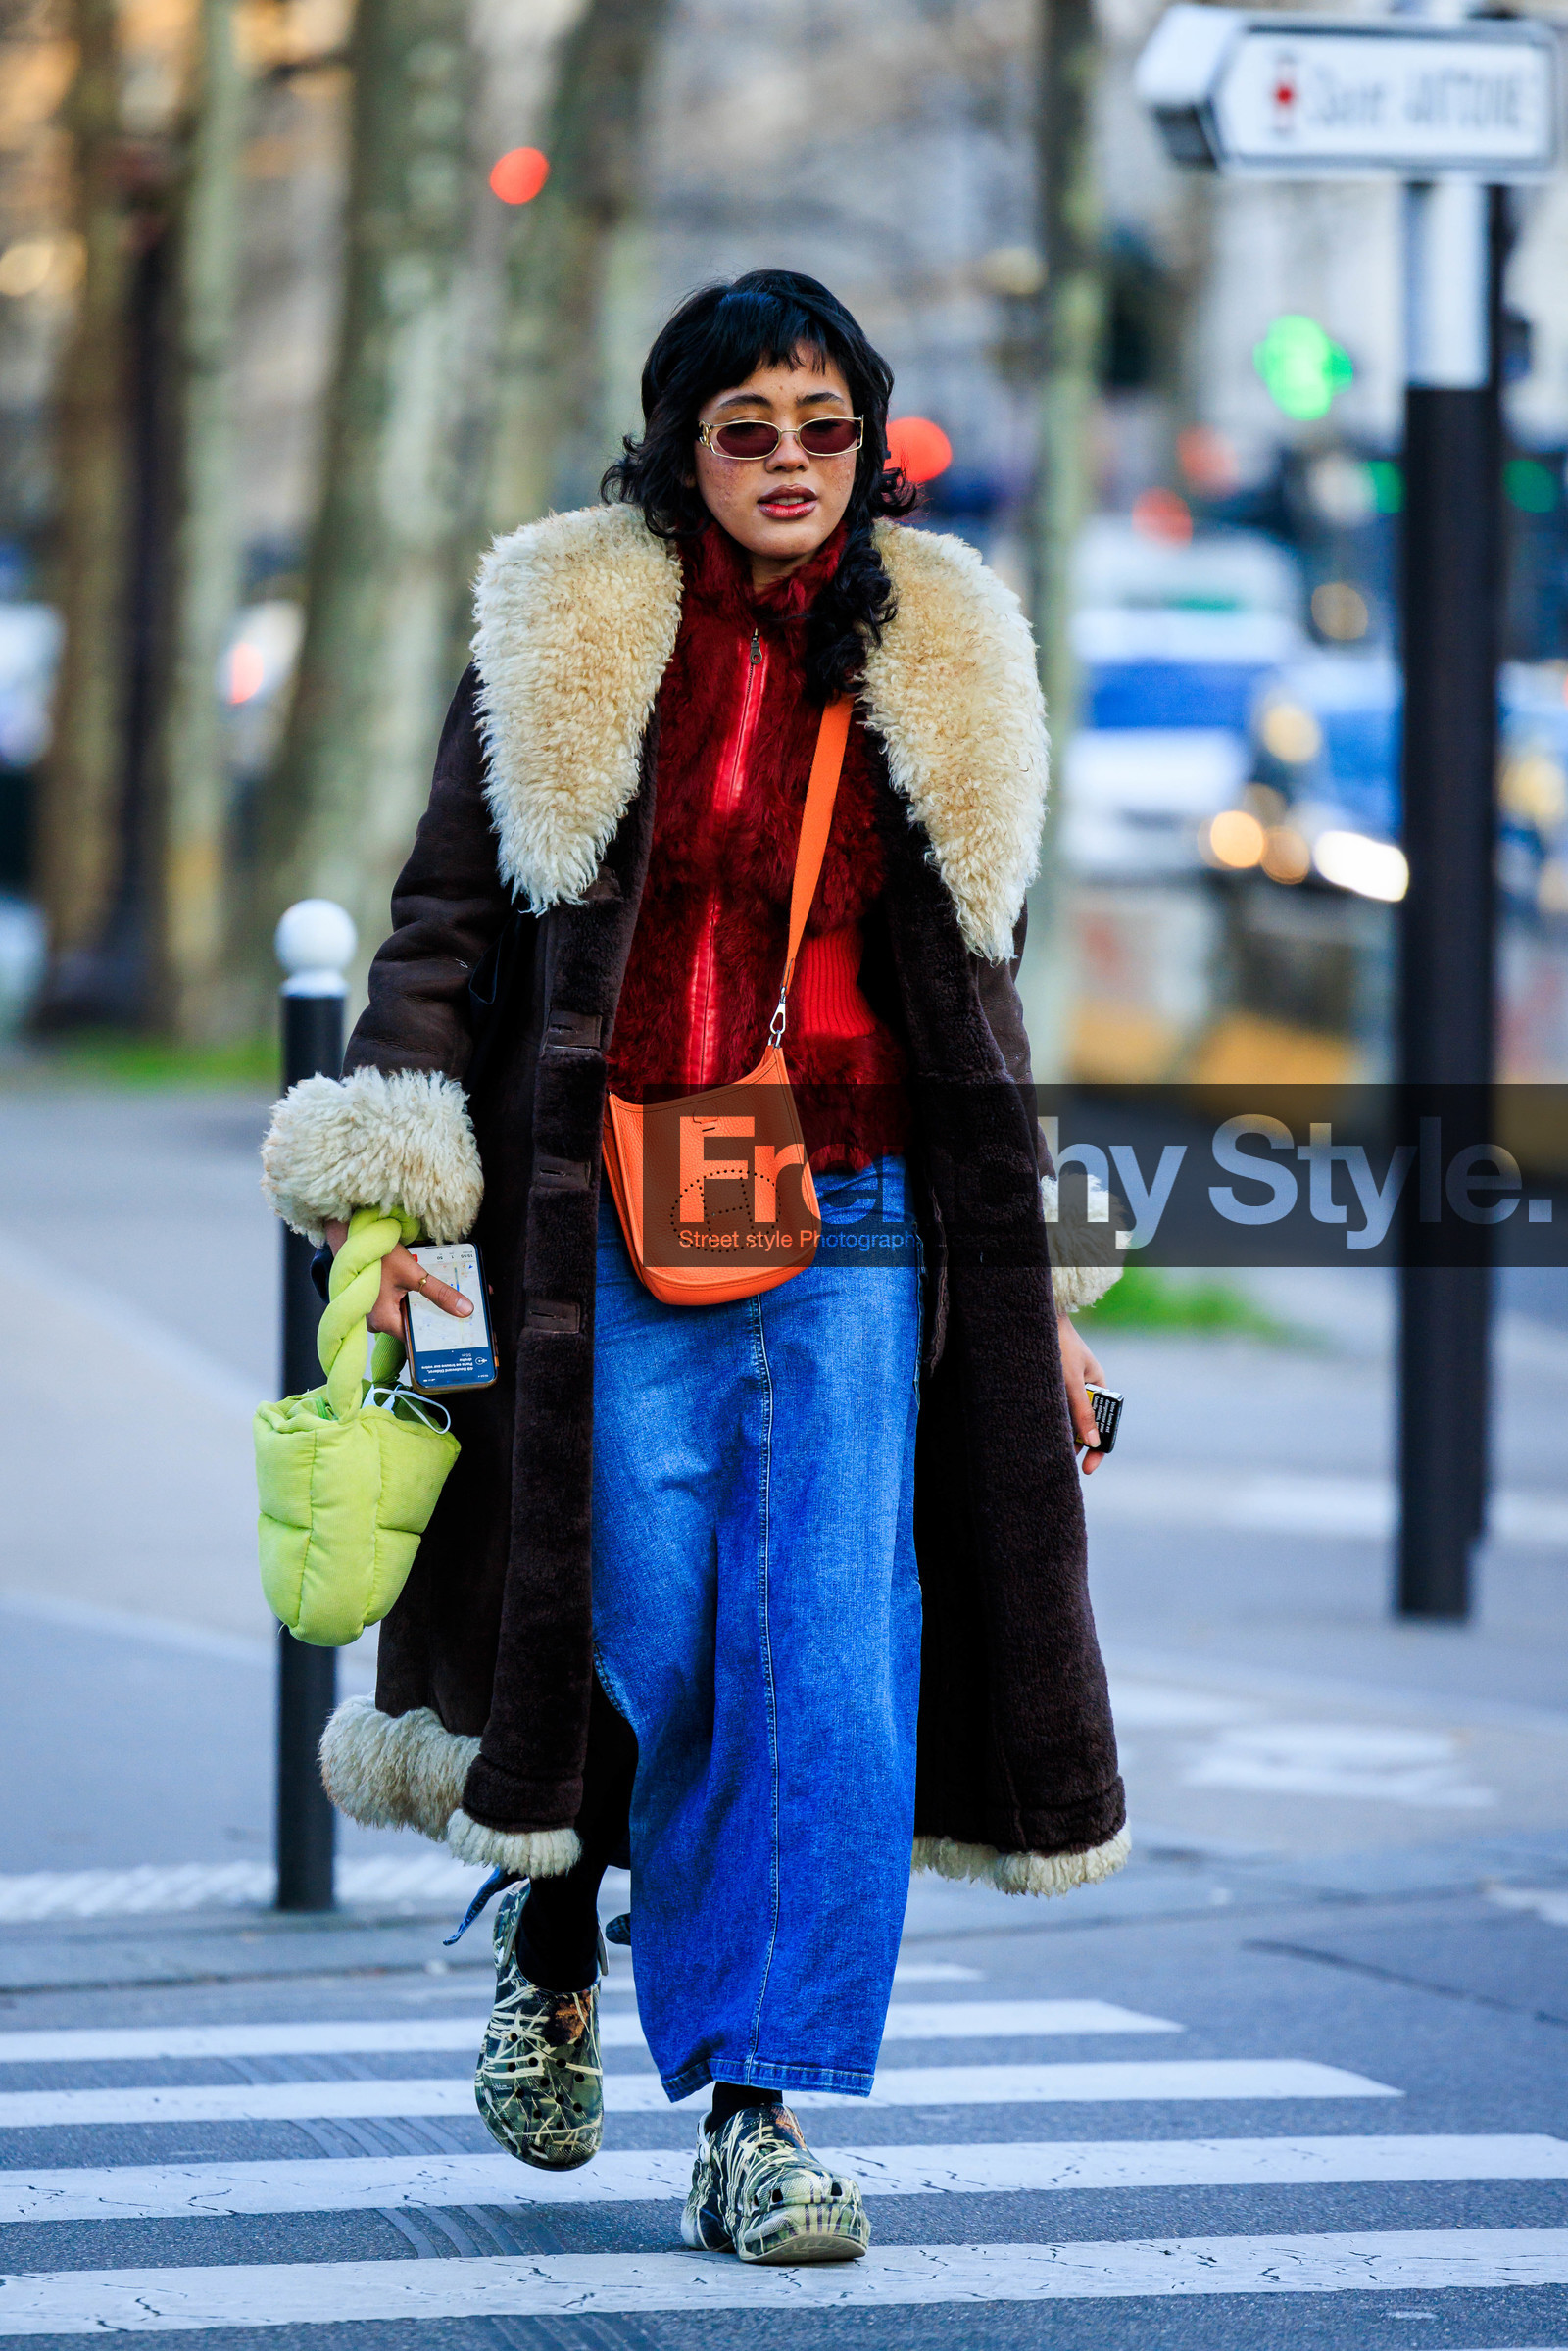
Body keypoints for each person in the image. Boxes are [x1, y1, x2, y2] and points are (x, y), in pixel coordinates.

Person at [261, 269, 1126, 2268]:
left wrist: (1047, 1307)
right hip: (603, 1213)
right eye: (750, 428)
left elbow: (978, 998)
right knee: (642, 1635)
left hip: (861, 1217)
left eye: (827, 429)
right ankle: (561, 1916)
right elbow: (440, 928)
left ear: (871, 444)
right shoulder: (565, 620)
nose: (793, 465)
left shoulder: (938, 645)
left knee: (824, 1665)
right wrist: (394, 1175)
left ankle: (759, 2112)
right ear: (679, 442)